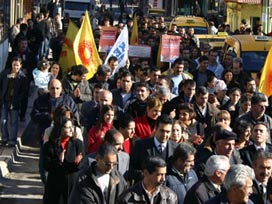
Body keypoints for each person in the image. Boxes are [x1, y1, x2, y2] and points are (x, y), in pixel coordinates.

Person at [43, 118, 84, 204]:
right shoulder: (49, 145)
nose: (70, 130)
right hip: (55, 186)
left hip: (71, 185)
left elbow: (82, 164)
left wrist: (77, 163)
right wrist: (58, 161)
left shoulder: (77, 144)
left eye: (71, 127)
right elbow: (46, 165)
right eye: (67, 127)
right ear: (60, 128)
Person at [128, 114, 178, 183]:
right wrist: (147, 176)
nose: (164, 135)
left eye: (168, 132)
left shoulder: (176, 148)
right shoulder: (140, 146)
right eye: (162, 131)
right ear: (155, 128)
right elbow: (131, 168)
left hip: (168, 190)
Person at [0, 57, 28, 146]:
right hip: (5, 100)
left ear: (20, 66)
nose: (15, 67)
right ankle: (4, 138)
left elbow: (23, 92)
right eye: (14, 65)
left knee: (13, 121)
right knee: (3, 120)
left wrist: (18, 100)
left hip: (15, 102)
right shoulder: (5, 73)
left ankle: (12, 140)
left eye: (17, 65)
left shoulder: (22, 77)